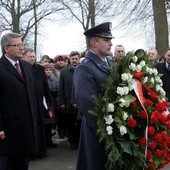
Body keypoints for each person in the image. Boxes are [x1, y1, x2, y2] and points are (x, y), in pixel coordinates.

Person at [73, 22, 114, 170]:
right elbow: (88, 105)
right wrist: (107, 130)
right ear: (94, 43)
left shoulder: (111, 63)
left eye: (110, 40)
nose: (111, 43)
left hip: (115, 128)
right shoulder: (85, 68)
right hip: (99, 132)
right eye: (106, 40)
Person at [0, 32, 37, 170]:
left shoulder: (26, 66)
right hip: (7, 130)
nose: (22, 48)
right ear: (6, 48)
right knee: (7, 164)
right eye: (18, 45)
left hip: (26, 127)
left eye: (22, 45)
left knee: (23, 163)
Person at [58, 51, 81, 149]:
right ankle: (72, 142)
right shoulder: (63, 72)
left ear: (79, 59)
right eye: (73, 59)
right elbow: (60, 88)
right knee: (70, 124)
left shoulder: (82, 70)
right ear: (69, 59)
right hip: (68, 102)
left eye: (76, 59)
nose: (74, 60)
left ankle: (80, 142)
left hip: (80, 102)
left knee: (79, 123)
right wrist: (61, 102)